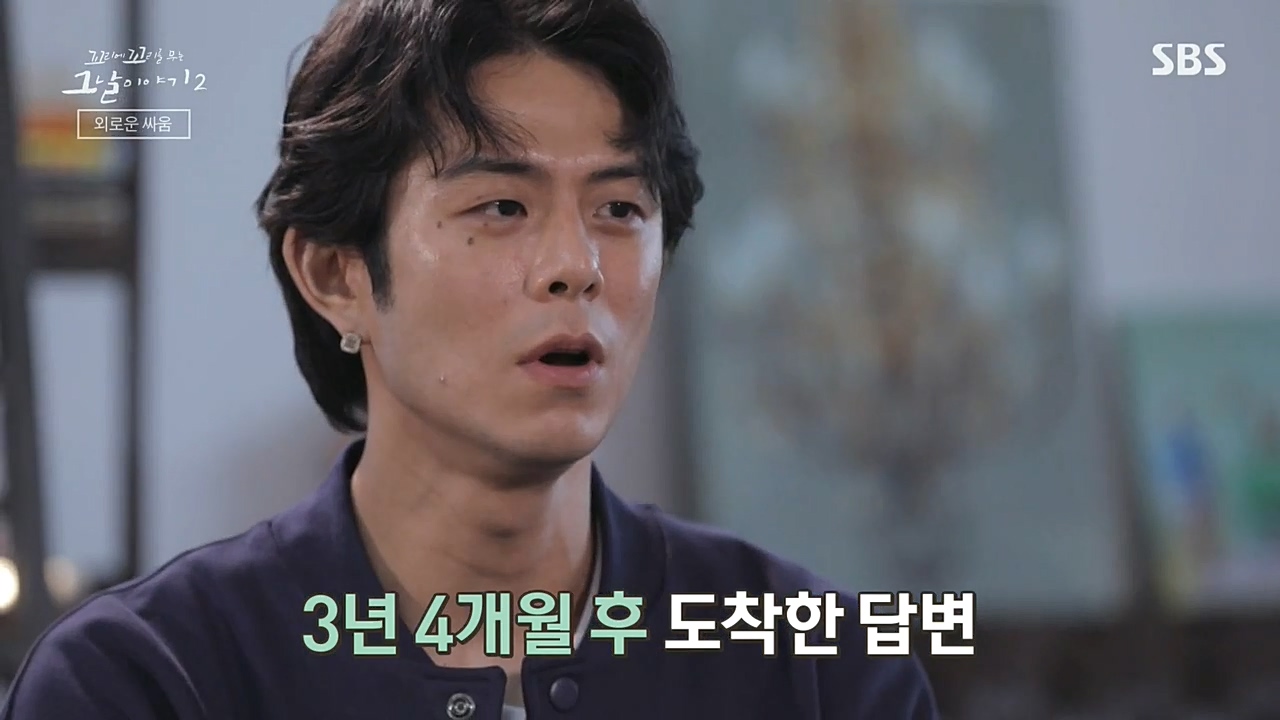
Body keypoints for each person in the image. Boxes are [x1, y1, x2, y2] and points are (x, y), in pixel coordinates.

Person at [2, 0, 937, 717]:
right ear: (334, 274)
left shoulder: (821, 669)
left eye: (619, 209)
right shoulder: (148, 680)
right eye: (501, 207)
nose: (576, 266)